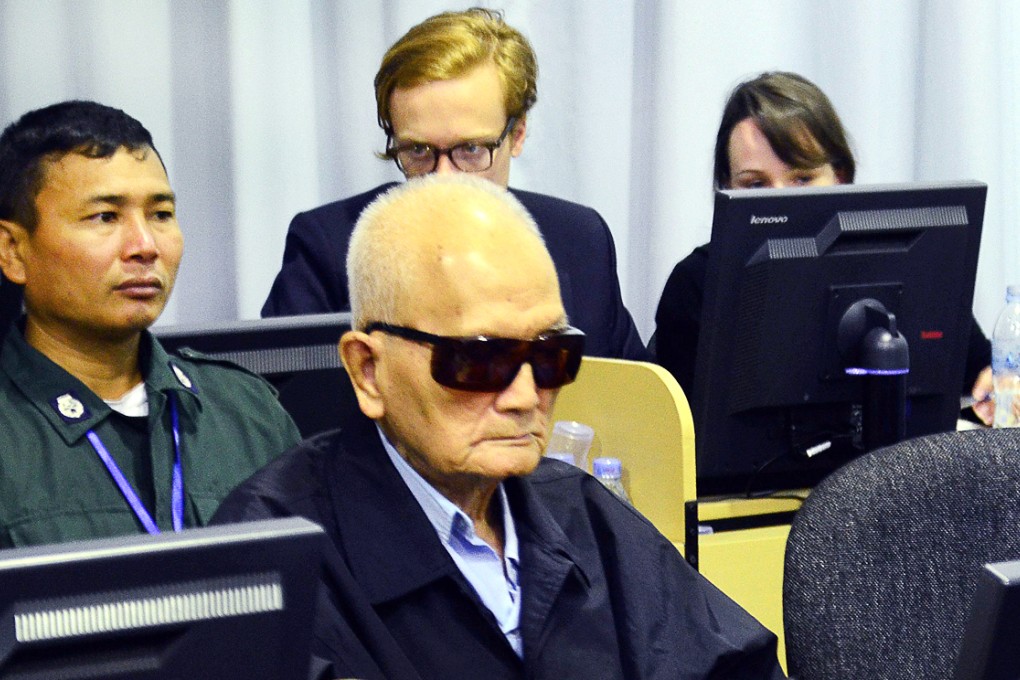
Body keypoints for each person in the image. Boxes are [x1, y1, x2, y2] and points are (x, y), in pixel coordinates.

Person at [213, 175, 786, 679]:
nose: (522, 397)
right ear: (368, 370)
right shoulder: (272, 553)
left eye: (551, 356)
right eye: (479, 361)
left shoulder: (580, 511)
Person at [260, 7, 648, 361]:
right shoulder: (327, 247)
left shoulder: (579, 240)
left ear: (518, 135)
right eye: (418, 152)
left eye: (471, 150)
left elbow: (637, 407)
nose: (443, 178)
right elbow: (285, 418)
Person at [0, 101, 301, 548]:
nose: (144, 246)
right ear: (13, 250)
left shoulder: (246, 410)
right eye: (105, 217)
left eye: (161, 214)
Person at [653, 71, 992, 419]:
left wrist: (996, 384)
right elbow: (675, 440)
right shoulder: (697, 285)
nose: (781, 200)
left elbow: (981, 371)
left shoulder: (902, 257)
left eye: (802, 178)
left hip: (895, 470)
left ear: (840, 176)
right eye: (755, 185)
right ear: (727, 189)